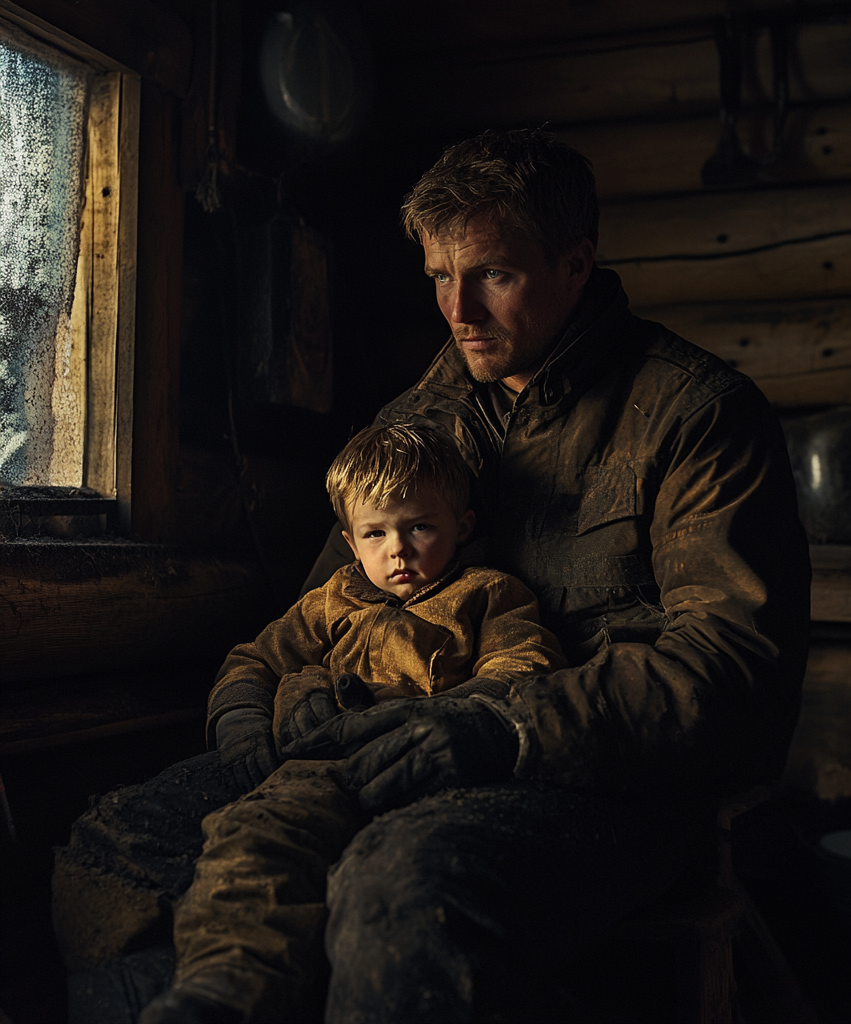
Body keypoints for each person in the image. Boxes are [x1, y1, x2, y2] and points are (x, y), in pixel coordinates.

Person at [54, 127, 810, 1024]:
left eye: (492, 273)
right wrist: (265, 710)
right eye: (439, 278)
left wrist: (499, 727)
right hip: (378, 745)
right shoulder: (417, 423)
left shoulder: (694, 417)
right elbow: (321, 615)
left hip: (602, 781)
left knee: (401, 891)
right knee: (118, 851)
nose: (459, 312)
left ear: (576, 262)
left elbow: (736, 683)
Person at [140, 423, 565, 1022]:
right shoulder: (332, 601)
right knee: (256, 840)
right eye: (376, 533)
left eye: (420, 526)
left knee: (399, 881)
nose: (399, 549)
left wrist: (451, 713)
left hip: (430, 766)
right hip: (323, 765)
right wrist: (240, 719)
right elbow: (256, 659)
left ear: (462, 526)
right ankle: (226, 987)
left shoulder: (488, 594)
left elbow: (525, 663)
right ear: (350, 540)